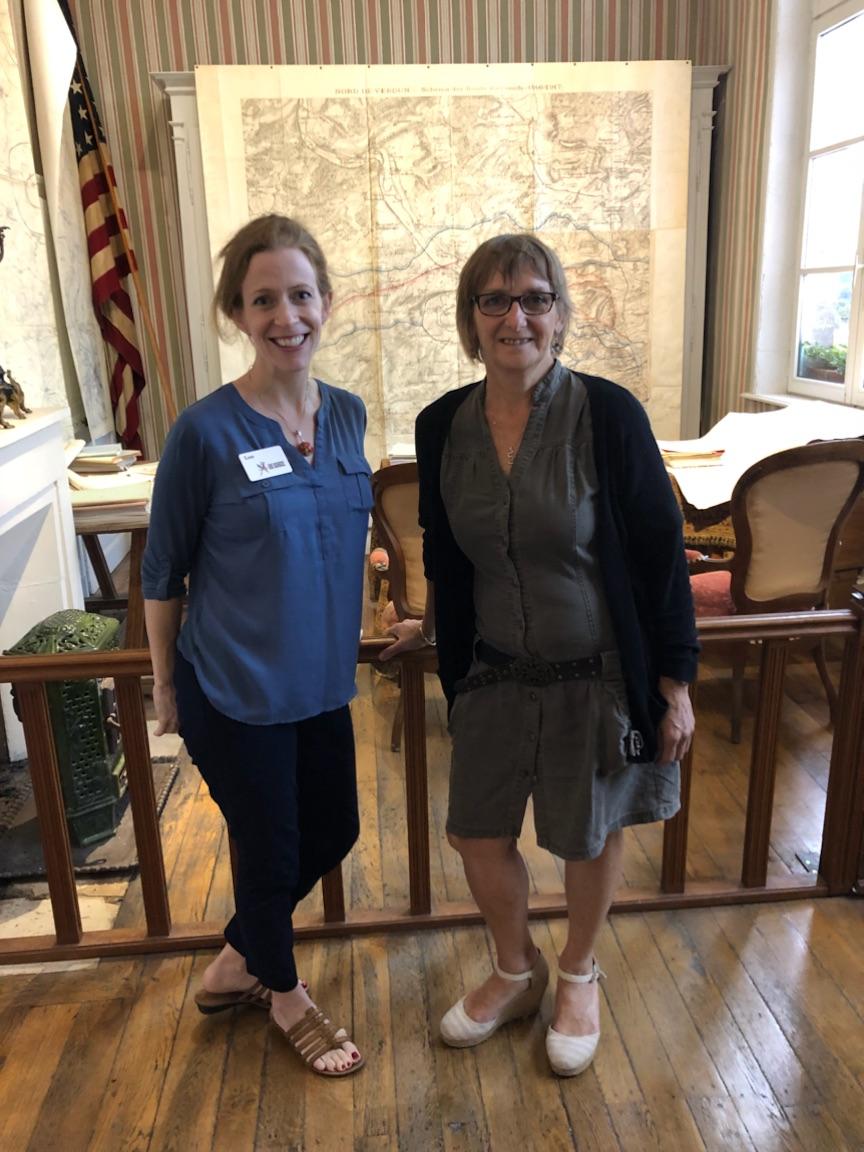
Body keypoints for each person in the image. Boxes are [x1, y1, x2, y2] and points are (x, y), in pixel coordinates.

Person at [381, 233, 698, 1077]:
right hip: (492, 669)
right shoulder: (442, 424)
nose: (514, 316)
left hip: (594, 672)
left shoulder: (609, 414)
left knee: (587, 837)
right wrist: (430, 627)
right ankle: (514, 969)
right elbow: (447, 552)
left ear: (558, 314)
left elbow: (659, 555)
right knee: (476, 835)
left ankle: (579, 974)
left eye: (534, 298)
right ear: (470, 319)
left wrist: (674, 683)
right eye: (494, 300)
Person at [142, 214, 371, 1078]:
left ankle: (240, 954)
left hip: (319, 682)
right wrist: (166, 687)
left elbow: (345, 534)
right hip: (231, 686)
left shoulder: (346, 416)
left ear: (324, 302)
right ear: (236, 313)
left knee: (335, 827)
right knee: (269, 845)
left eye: (300, 294)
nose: (287, 315)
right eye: (263, 298)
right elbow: (162, 572)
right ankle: (283, 992)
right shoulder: (203, 433)